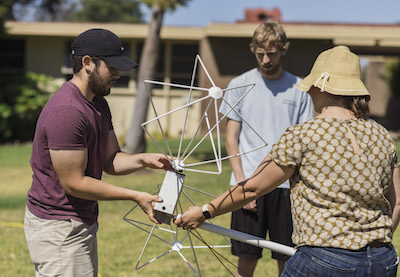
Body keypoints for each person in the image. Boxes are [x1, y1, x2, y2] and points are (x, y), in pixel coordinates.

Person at [175, 45, 400, 276]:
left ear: (321, 86)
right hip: (382, 259)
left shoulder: (303, 135)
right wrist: (374, 244)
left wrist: (204, 212)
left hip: (324, 259)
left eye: (312, 87)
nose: (309, 92)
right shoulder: (382, 135)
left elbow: (252, 189)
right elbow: (397, 202)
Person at [24, 28, 173, 276]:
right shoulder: (68, 112)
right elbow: (74, 183)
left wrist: (144, 160)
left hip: (78, 222)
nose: (118, 74)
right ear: (87, 63)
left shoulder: (97, 102)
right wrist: (135, 195)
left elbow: (110, 159)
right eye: (112, 67)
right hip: (59, 228)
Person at [218, 20, 314, 276]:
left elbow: (304, 142)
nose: (266, 59)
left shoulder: (300, 89)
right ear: (254, 49)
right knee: (245, 262)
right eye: (260, 53)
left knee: (288, 262)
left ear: (283, 49)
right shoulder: (239, 84)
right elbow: (231, 138)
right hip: (248, 183)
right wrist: (241, 183)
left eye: (271, 53)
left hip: (286, 188)